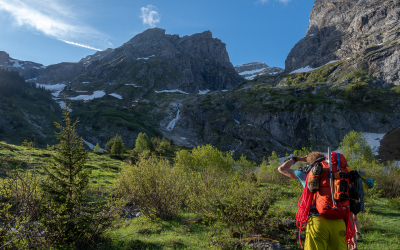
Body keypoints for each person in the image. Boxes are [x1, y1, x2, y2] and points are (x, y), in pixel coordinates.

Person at [278, 152, 355, 250]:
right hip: (340, 222)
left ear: (310, 163)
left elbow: (281, 169)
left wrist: (297, 159)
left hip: (317, 222)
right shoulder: (343, 175)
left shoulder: (307, 174)